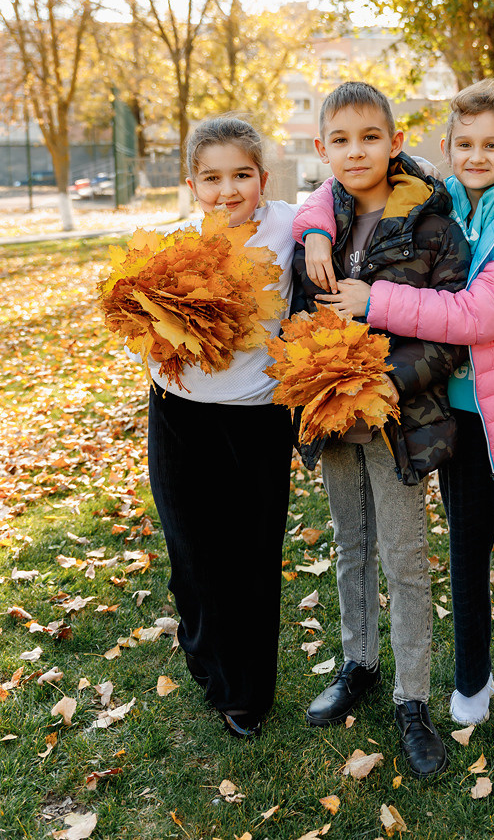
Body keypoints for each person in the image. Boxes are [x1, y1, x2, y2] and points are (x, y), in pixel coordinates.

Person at [295, 77, 494, 767]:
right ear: (445, 147)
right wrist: (319, 227)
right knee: (465, 553)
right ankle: (471, 680)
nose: (477, 155)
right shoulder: (442, 196)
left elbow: (480, 316)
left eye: (492, 144)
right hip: (452, 416)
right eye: (465, 143)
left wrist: (371, 301)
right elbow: (333, 188)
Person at [290, 81, 470, 778]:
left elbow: (451, 332)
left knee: (403, 556)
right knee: (351, 544)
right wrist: (314, 367)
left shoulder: (431, 224)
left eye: (370, 137)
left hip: (399, 420)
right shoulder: (318, 224)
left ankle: (412, 699)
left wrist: (389, 380)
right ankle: (358, 662)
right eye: (340, 139)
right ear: (322, 150)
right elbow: (297, 319)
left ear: (395, 143)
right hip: (335, 420)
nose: (355, 150)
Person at [146, 114, 296, 739]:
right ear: (191, 183)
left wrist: (316, 240)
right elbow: (144, 333)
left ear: (263, 179)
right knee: (193, 553)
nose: (227, 190)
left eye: (241, 176)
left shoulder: (292, 225)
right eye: (212, 178)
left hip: (259, 421)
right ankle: (206, 659)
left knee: (252, 556)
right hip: (180, 416)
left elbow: (377, 178)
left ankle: (247, 693)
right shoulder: (170, 244)